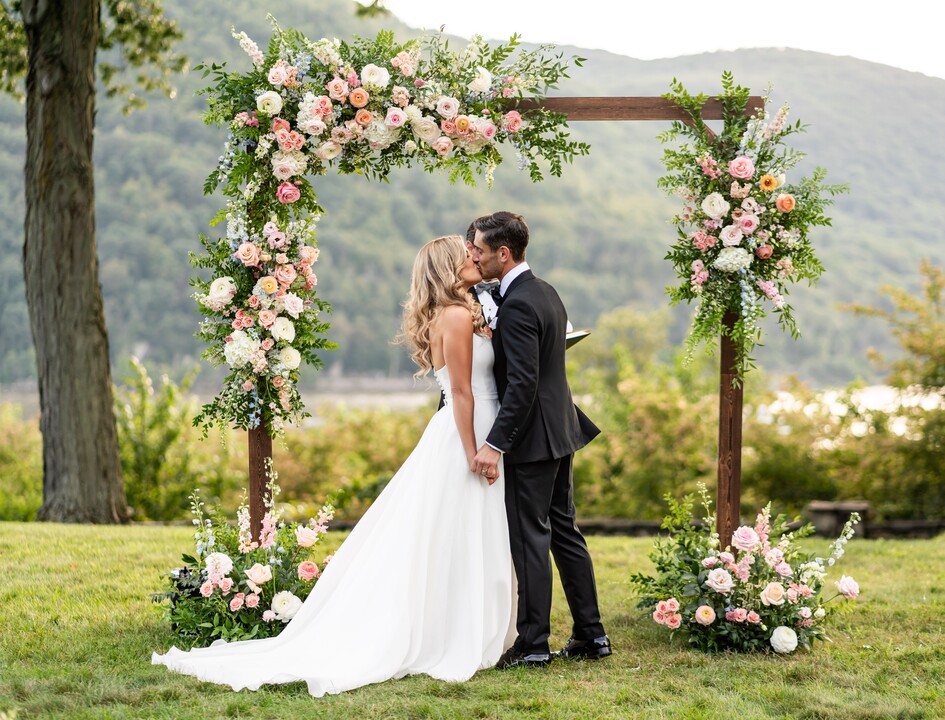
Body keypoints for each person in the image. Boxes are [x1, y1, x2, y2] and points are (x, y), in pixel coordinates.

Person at [152, 236, 515, 696]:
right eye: (464, 254)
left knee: (458, 534)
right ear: (447, 268)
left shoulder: (456, 314)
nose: (473, 257)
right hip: (469, 431)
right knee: (463, 532)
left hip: (464, 428)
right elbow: (460, 392)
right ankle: (460, 632)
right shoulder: (459, 316)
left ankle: (462, 624)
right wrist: (473, 452)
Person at [469, 211, 611, 669]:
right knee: (565, 532)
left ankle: (532, 644)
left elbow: (523, 384)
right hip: (561, 429)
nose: (474, 256)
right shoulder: (545, 292)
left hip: (532, 440)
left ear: (502, 253)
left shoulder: (517, 305)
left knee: (531, 538)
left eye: (479, 250)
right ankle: (592, 635)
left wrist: (494, 443)